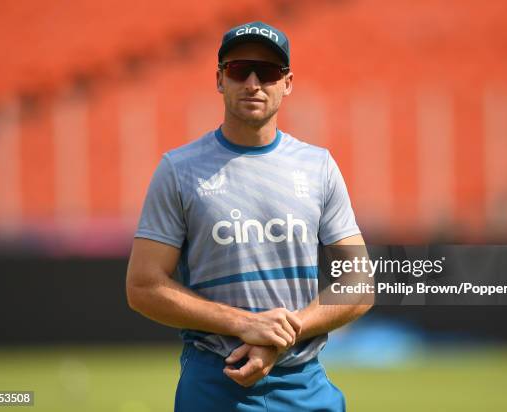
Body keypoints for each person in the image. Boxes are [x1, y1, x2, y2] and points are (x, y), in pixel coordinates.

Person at [126, 21, 372, 412]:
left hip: (305, 387)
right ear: (220, 79)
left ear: (287, 83)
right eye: (240, 70)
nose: (254, 83)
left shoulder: (318, 166)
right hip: (214, 385)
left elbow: (360, 283)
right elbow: (142, 286)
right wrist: (243, 324)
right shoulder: (178, 169)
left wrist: (277, 336)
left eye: (269, 72)